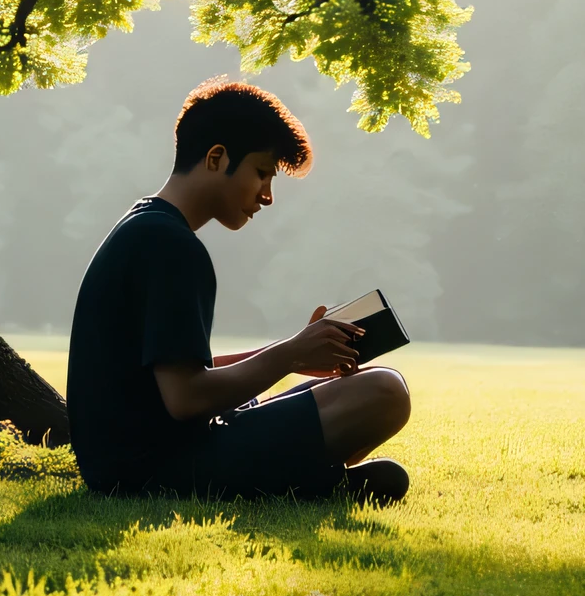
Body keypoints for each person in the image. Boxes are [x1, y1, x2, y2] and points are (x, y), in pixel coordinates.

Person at [66, 74, 411, 504]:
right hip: (158, 467)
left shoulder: (147, 228)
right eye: (261, 173)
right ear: (216, 158)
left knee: (369, 392)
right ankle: (315, 484)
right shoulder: (172, 246)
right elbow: (186, 398)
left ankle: (316, 483)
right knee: (385, 392)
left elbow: (181, 371)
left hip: (134, 460)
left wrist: (297, 353)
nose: (266, 196)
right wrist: (290, 354)